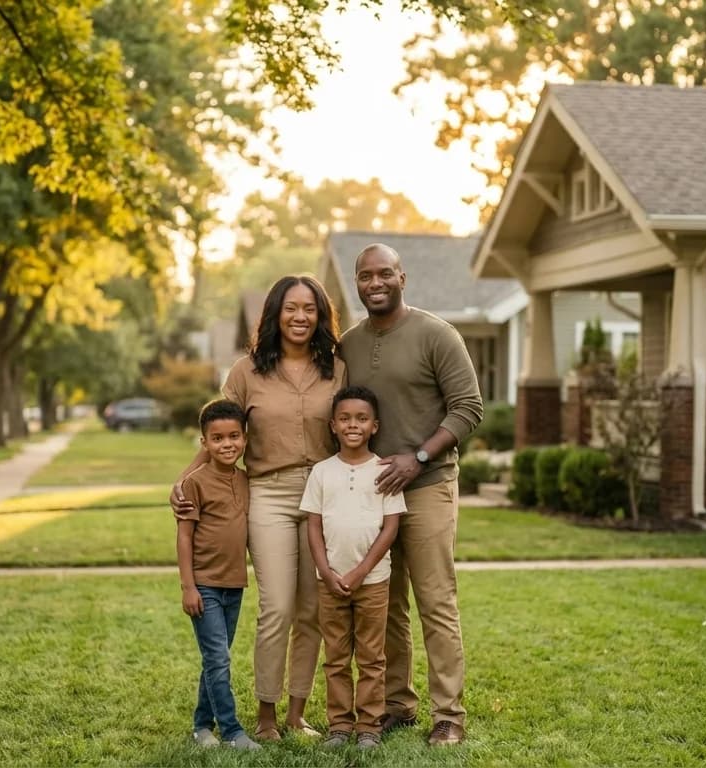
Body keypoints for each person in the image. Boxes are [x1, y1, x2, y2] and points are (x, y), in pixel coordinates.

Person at [171, 274, 346, 740]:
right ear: (274, 313)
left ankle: (296, 715)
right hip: (268, 491)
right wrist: (186, 478)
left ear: (321, 315)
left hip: (324, 495)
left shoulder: (337, 368)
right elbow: (217, 432)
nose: (300, 317)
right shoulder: (246, 371)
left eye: (310, 308)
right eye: (291, 308)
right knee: (278, 607)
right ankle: (266, 717)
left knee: (313, 611)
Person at [341, 243, 483, 747]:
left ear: (403, 277)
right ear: (356, 282)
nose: (374, 283)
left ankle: (449, 716)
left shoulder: (437, 334)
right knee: (385, 604)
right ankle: (396, 704)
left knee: (435, 600)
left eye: (384, 274)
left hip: (427, 485)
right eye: (365, 276)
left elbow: (468, 408)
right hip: (372, 496)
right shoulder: (348, 344)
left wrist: (418, 458)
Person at [302, 385, 404, 751]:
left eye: (362, 418)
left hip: (373, 581)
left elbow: (390, 527)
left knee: (372, 657)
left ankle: (368, 728)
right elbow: (313, 524)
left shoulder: (385, 470)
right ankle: (340, 726)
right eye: (344, 418)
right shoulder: (322, 472)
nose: (353, 425)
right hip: (329, 582)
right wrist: (326, 571)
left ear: (375, 426)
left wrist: (361, 571)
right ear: (333, 425)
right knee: (336, 657)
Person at [175, 399, 262, 750]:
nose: (227, 444)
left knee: (216, 658)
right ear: (204, 443)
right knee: (218, 659)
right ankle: (231, 731)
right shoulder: (194, 483)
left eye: (234, 437)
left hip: (234, 586)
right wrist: (188, 587)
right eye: (217, 438)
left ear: (244, 439)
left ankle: (201, 726)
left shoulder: (244, 480)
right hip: (205, 586)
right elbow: (184, 537)